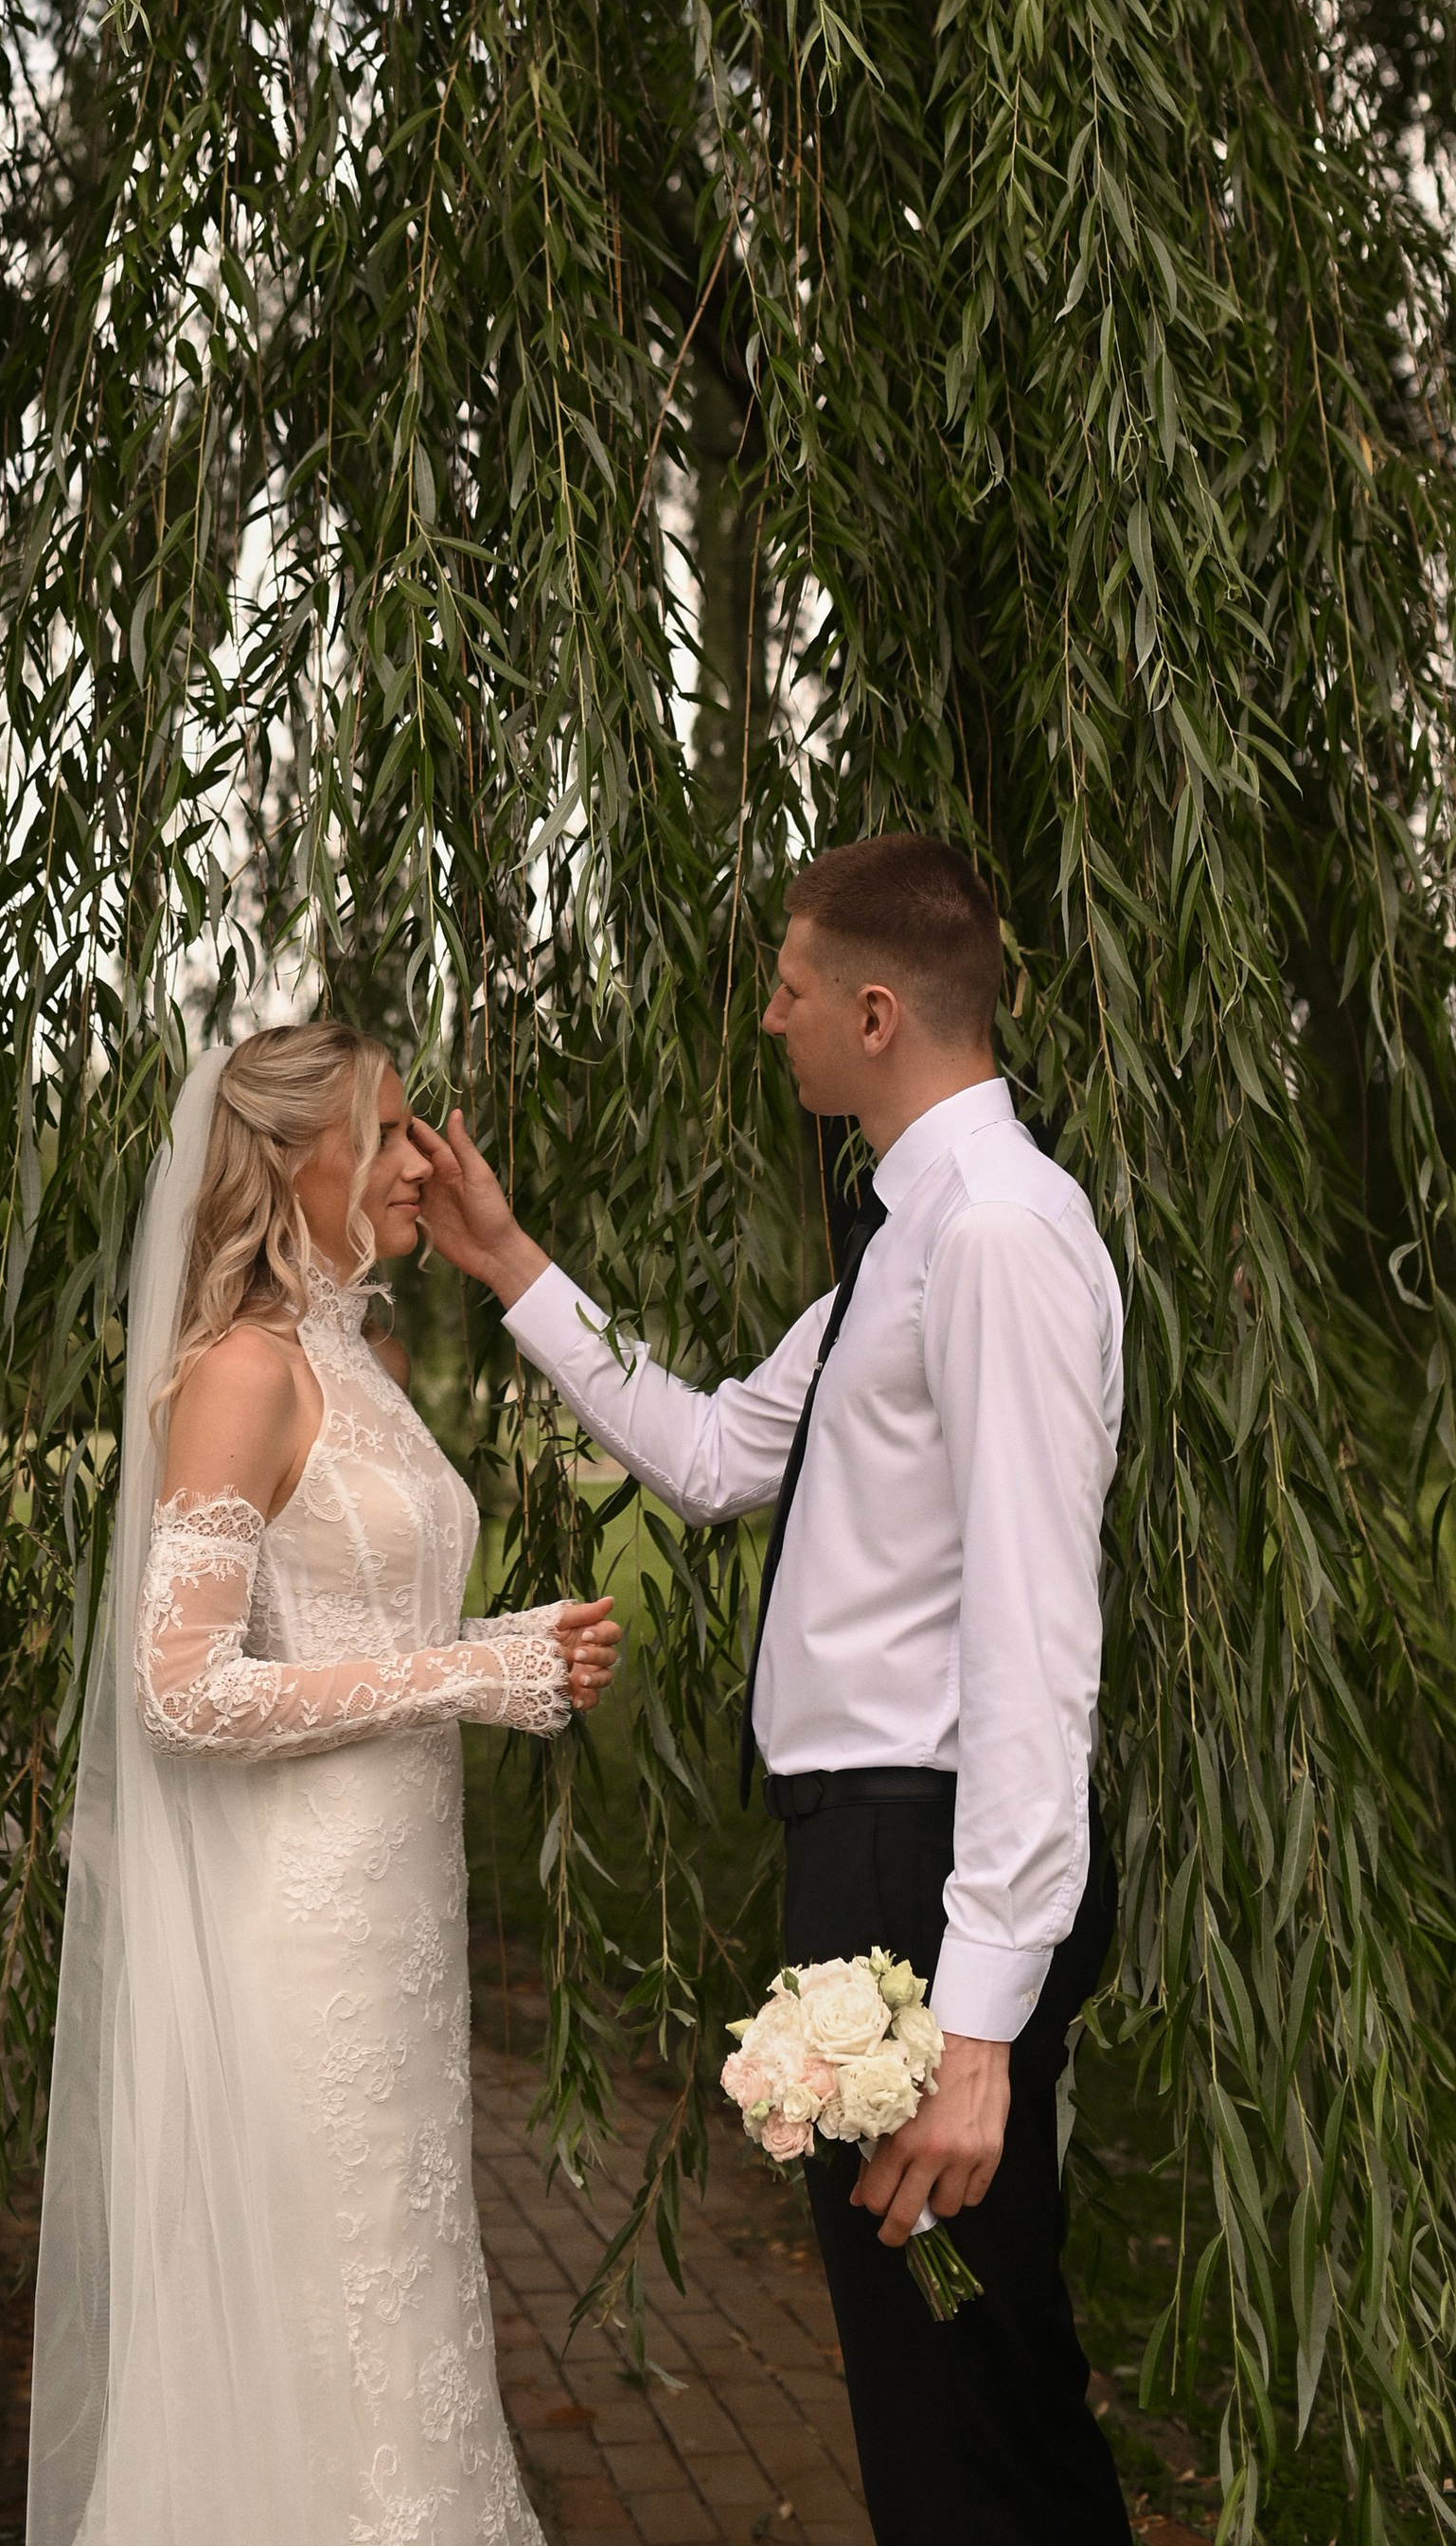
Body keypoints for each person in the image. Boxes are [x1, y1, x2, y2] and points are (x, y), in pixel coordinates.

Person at [413, 834, 1128, 2546]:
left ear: (877, 1012)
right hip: (867, 1858)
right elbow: (725, 1452)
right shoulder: (903, 1236)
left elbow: (1038, 1629)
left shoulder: (1000, 1238)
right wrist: (516, 1269)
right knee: (945, 2383)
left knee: (970, 2405)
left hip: (931, 1871)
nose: (766, 1017)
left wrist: (977, 2027)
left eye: (791, 986)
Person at [27, 1023, 621, 2546]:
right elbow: (180, 1687)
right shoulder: (240, 1370)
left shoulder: (350, 1358)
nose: (430, 1159)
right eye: (399, 1131)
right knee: (317, 2319)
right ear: (304, 1161)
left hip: (394, 1926)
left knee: (398, 2316)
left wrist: (507, 1647)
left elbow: (349, 1622)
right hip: (303, 1934)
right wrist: (462, 1677)